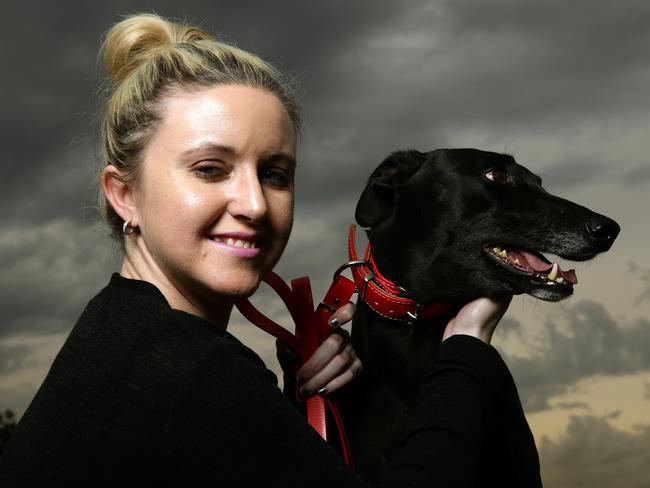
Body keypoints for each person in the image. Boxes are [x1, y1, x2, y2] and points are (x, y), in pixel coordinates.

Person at [0, 13, 540, 487]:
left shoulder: (122, 330)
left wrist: (290, 414)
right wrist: (467, 348)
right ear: (124, 195)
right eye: (210, 169)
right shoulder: (186, 367)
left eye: (275, 174)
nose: (255, 204)